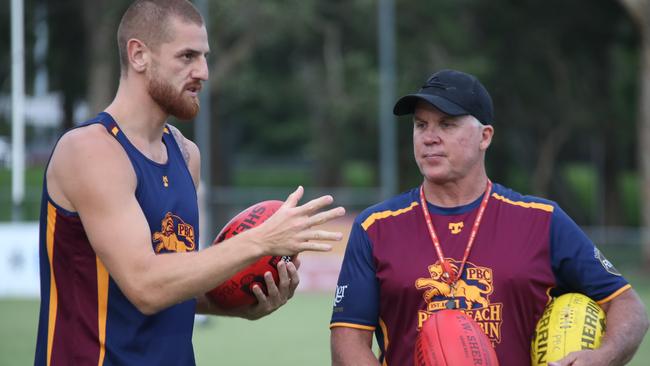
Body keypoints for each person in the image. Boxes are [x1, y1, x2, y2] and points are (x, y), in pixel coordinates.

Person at [33, 1, 345, 365]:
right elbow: (145, 285)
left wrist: (237, 304)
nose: (204, 71)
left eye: (204, 56)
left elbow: (175, 282)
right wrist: (261, 240)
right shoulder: (90, 150)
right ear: (138, 55)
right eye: (187, 56)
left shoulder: (185, 155)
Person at [329, 69, 649, 365]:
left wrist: (603, 356)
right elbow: (348, 341)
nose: (429, 137)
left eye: (447, 124)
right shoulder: (376, 227)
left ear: (485, 136)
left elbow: (628, 306)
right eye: (421, 125)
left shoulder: (542, 221)